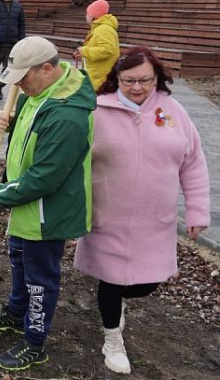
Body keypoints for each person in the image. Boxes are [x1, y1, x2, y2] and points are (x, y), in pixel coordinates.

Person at [74, 46, 209, 375]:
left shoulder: (173, 111)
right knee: (111, 280)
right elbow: (68, 150)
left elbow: (193, 163)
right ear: (116, 78)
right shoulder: (97, 110)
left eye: (145, 80)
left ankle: (120, 302)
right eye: (128, 80)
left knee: (146, 284)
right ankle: (112, 337)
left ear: (157, 77)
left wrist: (197, 212)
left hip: (155, 218)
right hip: (109, 213)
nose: (137, 87)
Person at [0, 36, 96, 370]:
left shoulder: (68, 114)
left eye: (25, 78)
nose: (20, 85)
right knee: (20, 261)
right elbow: (28, 126)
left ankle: (35, 341)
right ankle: (15, 312)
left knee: (40, 277)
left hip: (46, 211)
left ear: (48, 68)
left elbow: (44, 178)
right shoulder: (39, 92)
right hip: (26, 204)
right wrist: (8, 121)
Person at [74, 0, 119, 91]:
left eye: (87, 13)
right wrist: (83, 53)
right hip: (96, 77)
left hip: (100, 80)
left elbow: (107, 50)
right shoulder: (99, 28)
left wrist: (84, 51)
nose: (86, 16)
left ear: (92, 15)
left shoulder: (104, 29)